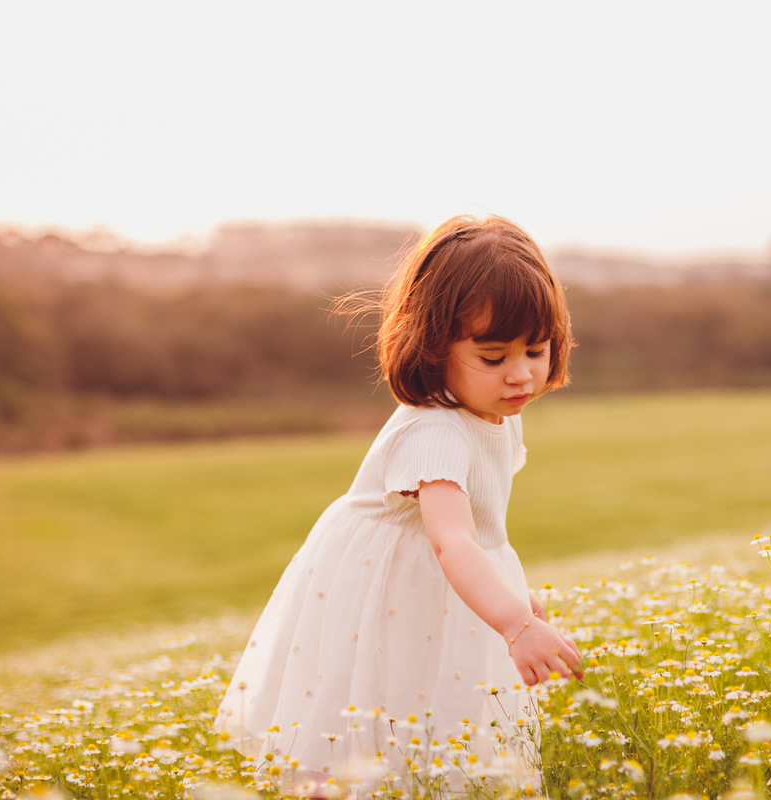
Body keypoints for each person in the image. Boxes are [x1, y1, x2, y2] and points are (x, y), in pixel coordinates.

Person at [214, 214, 583, 788]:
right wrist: (513, 623)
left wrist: (512, 592)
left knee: (438, 729)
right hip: (390, 587)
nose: (521, 376)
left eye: (536, 350)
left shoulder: (495, 412)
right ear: (435, 348)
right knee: (366, 724)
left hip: (444, 586)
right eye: (493, 357)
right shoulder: (434, 430)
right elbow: (452, 538)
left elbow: (483, 529)